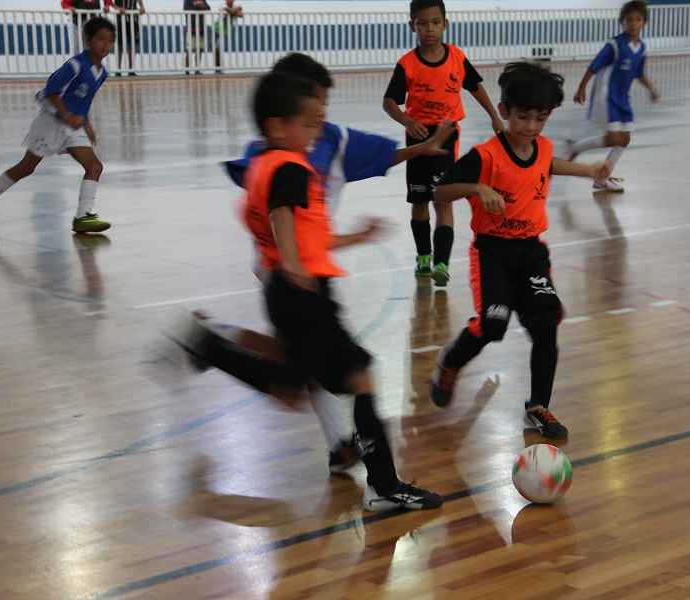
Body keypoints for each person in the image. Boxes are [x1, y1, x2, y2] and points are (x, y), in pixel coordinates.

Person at [221, 53, 455, 474]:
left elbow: (382, 155)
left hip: (307, 261)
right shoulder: (277, 152)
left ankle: (218, 344)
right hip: (288, 267)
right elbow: (273, 206)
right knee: (325, 366)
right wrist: (290, 258)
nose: (322, 111)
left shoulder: (331, 139)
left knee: (300, 365)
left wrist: (421, 148)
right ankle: (349, 453)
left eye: (324, 102)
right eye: (316, 101)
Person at [429, 62, 612, 440]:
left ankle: (538, 406)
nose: (530, 127)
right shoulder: (485, 156)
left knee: (546, 323)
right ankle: (451, 361)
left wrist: (588, 171)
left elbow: (548, 163)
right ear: (505, 110)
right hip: (493, 252)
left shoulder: (541, 147)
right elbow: (440, 191)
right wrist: (476, 189)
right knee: (493, 325)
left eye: (539, 119)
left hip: (531, 252)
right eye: (522, 117)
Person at [383, 0, 502, 288]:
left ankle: (442, 263)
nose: (429, 29)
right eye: (423, 23)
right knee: (420, 199)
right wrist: (406, 120)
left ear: (445, 24)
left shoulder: (457, 58)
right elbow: (389, 102)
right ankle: (424, 257)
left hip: (447, 137)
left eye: (435, 22)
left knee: (443, 198)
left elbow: (475, 87)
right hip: (418, 138)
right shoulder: (407, 64)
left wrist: (495, 116)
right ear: (413, 26)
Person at [0, 17, 115, 234]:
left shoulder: (101, 73)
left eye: (110, 41)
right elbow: (51, 90)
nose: (105, 45)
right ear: (88, 40)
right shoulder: (75, 65)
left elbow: (84, 100)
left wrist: (87, 124)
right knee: (27, 167)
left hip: (73, 127)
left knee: (94, 166)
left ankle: (83, 216)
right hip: (51, 122)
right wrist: (66, 115)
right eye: (100, 39)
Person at [566, 0, 660, 193]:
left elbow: (638, 73)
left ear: (645, 23)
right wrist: (581, 87)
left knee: (624, 140)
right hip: (606, 96)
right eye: (628, 20)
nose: (633, 24)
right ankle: (578, 148)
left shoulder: (641, 48)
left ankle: (601, 178)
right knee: (615, 137)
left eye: (637, 19)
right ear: (622, 22)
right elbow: (594, 66)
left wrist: (651, 88)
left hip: (623, 98)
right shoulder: (615, 44)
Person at [113, 0, 145, 76]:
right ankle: (118, 70)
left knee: (133, 44)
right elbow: (112, 3)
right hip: (121, 18)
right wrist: (118, 8)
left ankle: (131, 69)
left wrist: (142, 7)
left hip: (133, 19)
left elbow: (139, 1)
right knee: (120, 44)